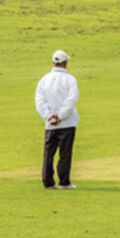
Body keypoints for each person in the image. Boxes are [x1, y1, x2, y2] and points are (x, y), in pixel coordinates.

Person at [35, 50, 80, 189]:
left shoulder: (44, 79)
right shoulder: (70, 79)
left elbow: (39, 101)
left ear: (53, 62)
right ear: (65, 63)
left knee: (48, 153)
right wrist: (60, 116)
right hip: (67, 123)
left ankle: (47, 182)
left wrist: (49, 116)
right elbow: (71, 100)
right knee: (65, 154)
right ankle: (64, 182)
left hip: (50, 124)